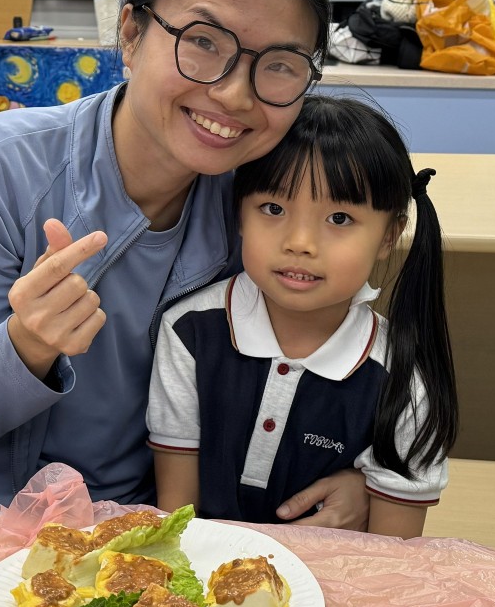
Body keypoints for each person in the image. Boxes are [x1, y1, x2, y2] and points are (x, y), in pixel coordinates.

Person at [0, 0, 371, 528]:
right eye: (203, 42)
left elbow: (307, 376)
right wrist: (26, 346)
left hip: (118, 535)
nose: (235, 94)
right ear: (131, 33)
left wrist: (357, 476)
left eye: (281, 65)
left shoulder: (268, 209)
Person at [146, 95, 459, 538]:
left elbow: (393, 558)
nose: (300, 243)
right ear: (240, 213)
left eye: (339, 218)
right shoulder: (188, 331)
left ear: (389, 236)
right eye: (273, 209)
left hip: (336, 577)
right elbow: (175, 523)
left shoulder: (403, 380)